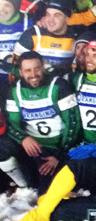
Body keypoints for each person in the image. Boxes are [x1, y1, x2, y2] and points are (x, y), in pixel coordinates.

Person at [1, 52, 80, 192]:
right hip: (32, 145)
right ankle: (23, 185)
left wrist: (59, 155)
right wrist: (23, 138)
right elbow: (12, 124)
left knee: (47, 189)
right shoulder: (14, 90)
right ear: (20, 72)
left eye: (37, 68)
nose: (33, 74)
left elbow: (73, 123)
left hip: (57, 146)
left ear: (43, 66)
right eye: (27, 70)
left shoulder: (59, 85)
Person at [13, 0, 80, 77]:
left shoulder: (76, 37)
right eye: (48, 14)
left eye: (57, 15)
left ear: (67, 18)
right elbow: (16, 65)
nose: (50, 20)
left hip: (62, 86)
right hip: (36, 86)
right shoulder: (33, 33)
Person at [0, 0, 32, 86]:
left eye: (7, 5)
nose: (1, 9)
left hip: (21, 79)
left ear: (15, 7)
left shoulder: (28, 22)